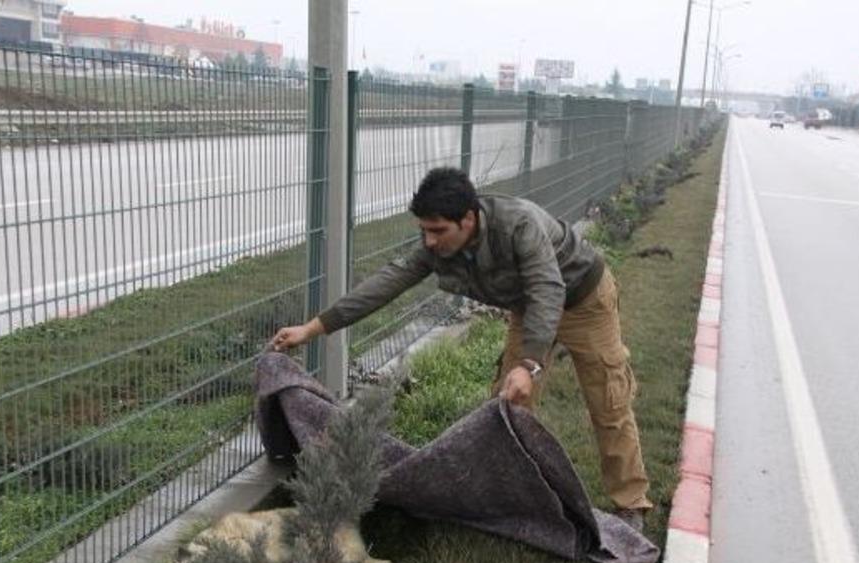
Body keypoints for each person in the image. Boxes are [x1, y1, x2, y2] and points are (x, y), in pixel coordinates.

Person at [271, 167, 653, 531]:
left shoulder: (519, 224)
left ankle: (631, 503)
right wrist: (313, 328)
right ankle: (505, 494)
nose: (429, 241)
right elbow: (387, 282)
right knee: (507, 405)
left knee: (608, 401)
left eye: (437, 231)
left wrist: (530, 363)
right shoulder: (436, 244)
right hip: (528, 306)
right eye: (424, 230)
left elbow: (548, 289)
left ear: (468, 219)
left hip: (583, 299)